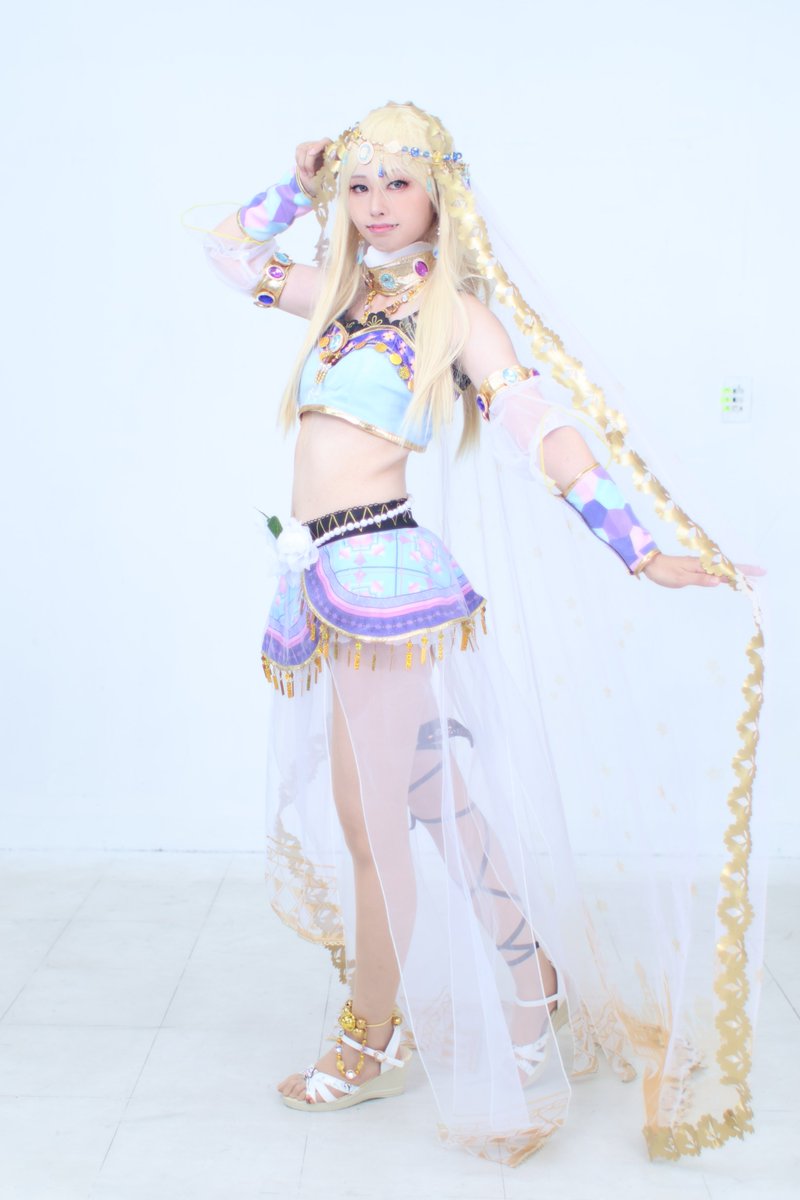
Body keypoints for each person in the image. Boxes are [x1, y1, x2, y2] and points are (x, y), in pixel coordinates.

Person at [203, 102, 765, 1166]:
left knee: (373, 828)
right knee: (433, 800)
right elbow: (229, 256)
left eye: (396, 184)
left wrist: (639, 550)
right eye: (358, 186)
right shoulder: (340, 294)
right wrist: (295, 184)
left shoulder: (456, 317)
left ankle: (371, 1037)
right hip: (321, 575)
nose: (375, 206)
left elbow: (541, 429)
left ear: (438, 194)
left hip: (381, 580)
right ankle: (532, 975)